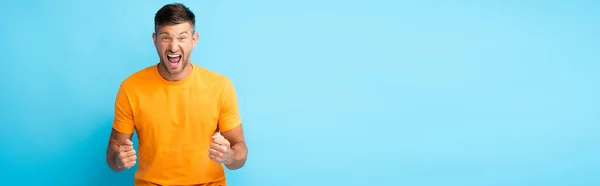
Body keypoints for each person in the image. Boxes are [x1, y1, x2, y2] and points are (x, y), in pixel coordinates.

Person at [105, 3, 248, 186]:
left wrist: (229, 156)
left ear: (194, 40)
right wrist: (118, 160)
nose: (173, 47)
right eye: (166, 38)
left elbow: (240, 150)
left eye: (182, 37)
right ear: (155, 39)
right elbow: (113, 152)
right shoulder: (130, 88)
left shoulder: (220, 86)